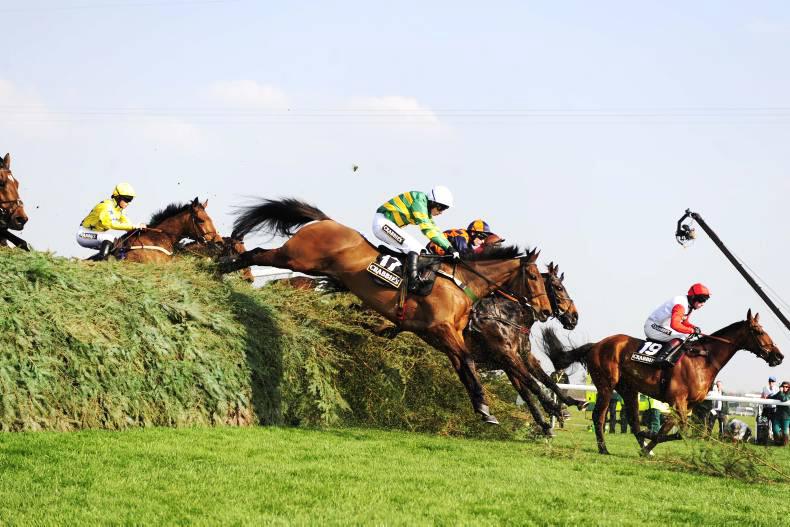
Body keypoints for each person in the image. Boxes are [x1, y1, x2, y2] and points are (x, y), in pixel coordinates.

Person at [373, 186, 457, 289]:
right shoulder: (419, 201)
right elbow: (427, 228)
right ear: (433, 203)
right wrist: (447, 248)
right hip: (382, 223)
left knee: (423, 252)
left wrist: (450, 247)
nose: (441, 212)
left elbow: (434, 229)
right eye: (441, 208)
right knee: (415, 249)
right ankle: (413, 283)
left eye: (445, 209)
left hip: (388, 224)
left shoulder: (424, 207)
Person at [643, 283, 710, 366]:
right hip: (653, 327)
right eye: (701, 300)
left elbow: (684, 322)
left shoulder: (689, 305)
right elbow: (675, 325)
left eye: (705, 301)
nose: (703, 303)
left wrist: (694, 327)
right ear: (693, 297)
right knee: (682, 337)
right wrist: (691, 330)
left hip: (663, 327)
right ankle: (660, 359)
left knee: (686, 338)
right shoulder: (680, 306)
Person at [77, 182, 146, 260]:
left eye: (130, 200)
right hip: (83, 234)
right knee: (110, 238)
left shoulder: (120, 210)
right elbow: (111, 224)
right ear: (118, 197)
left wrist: (139, 228)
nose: (128, 203)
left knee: (119, 244)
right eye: (127, 199)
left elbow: (128, 225)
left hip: (96, 235)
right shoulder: (106, 206)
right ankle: (102, 262)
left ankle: (92, 261)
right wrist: (134, 226)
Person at [426, 219, 496, 256]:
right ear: (473, 233)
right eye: (482, 237)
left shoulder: (467, 240)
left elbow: (473, 255)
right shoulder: (461, 236)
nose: (483, 241)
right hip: (432, 253)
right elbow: (465, 256)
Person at [768, 380, 790, 446]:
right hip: (777, 415)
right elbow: (772, 397)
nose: (785, 388)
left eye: (786, 387)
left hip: (786, 417)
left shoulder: (788, 394)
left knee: (785, 432)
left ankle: (784, 443)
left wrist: (781, 392)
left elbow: (784, 399)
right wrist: (767, 396)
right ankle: (777, 442)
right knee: (775, 430)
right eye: (783, 386)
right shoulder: (779, 393)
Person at [761, 375, 778, 441]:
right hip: (766, 409)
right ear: (768, 382)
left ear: (775, 382)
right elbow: (762, 396)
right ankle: (765, 438)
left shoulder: (777, 388)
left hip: (774, 409)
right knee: (764, 424)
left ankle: (775, 438)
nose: (771, 382)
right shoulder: (764, 388)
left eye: (772, 381)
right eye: (770, 381)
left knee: (774, 425)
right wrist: (763, 397)